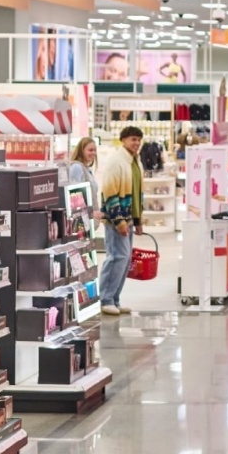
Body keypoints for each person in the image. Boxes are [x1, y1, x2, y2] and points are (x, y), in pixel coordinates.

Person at [99, 125, 144, 317]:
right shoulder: (115, 161)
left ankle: (115, 299)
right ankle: (105, 299)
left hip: (129, 219)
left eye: (138, 140)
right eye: (133, 139)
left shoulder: (135, 162)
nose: (136, 143)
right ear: (123, 140)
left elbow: (137, 194)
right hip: (116, 220)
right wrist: (119, 221)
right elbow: (109, 192)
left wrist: (138, 219)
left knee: (125, 260)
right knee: (117, 257)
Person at [68, 137, 104, 226]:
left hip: (87, 223)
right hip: (80, 224)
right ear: (81, 150)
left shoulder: (87, 169)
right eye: (90, 150)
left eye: (95, 150)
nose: (93, 153)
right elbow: (74, 199)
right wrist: (91, 212)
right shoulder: (76, 168)